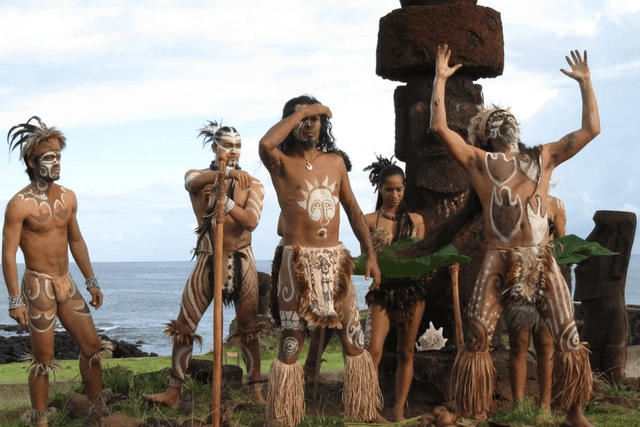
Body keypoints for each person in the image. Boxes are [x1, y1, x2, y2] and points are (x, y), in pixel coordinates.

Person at [416, 45, 599, 426]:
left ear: (516, 129)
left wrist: (586, 83)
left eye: (507, 117)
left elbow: (590, 130)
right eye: (495, 120)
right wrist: (441, 80)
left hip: (541, 260)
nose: (503, 122)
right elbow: (438, 127)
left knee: (567, 338)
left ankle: (573, 413)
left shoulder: (543, 156)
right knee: (477, 339)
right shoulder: (478, 162)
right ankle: (474, 408)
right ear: (486, 134)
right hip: (498, 258)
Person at [259, 95, 385, 426]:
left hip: (335, 260)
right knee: (292, 340)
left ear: (323, 125)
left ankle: (364, 411)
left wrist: (369, 253)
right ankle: (282, 417)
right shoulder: (281, 162)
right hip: (296, 261)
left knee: (353, 337)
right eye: (302, 118)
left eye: (315, 118)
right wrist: (307, 109)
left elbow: (354, 210)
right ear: (291, 124)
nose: (310, 123)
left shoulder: (335, 163)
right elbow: (265, 142)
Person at [143, 121, 266, 407]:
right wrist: (223, 174)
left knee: (247, 327)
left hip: (242, 259)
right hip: (208, 259)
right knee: (184, 325)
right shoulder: (198, 177)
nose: (232, 151)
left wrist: (229, 204)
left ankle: (255, 389)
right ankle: (174, 391)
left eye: (237, 146)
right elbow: (190, 183)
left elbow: (252, 221)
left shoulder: (253, 183)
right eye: (227, 146)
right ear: (215, 147)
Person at [3, 117, 112, 427]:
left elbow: (76, 240)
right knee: (44, 359)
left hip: (67, 283)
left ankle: (96, 407)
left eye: (58, 157)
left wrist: (91, 281)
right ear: (31, 161)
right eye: (49, 157)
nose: (56, 163)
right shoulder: (18, 205)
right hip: (38, 286)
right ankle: (40, 420)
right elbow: (8, 254)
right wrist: (14, 299)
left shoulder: (68, 197)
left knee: (92, 347)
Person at [362, 155, 426, 421]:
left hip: (412, 291)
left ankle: (398, 409)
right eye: (389, 189)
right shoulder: (368, 221)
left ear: (405, 188)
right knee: (373, 351)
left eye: (399, 189)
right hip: (382, 292)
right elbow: (366, 261)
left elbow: (421, 259)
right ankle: (371, 408)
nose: (394, 194)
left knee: (405, 351)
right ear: (379, 188)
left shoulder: (416, 221)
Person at [504, 194, 566, 414]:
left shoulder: (555, 205)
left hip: (546, 278)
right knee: (519, 343)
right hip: (518, 276)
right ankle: (518, 406)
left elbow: (562, 246)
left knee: (545, 345)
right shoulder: (511, 202)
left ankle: (545, 407)